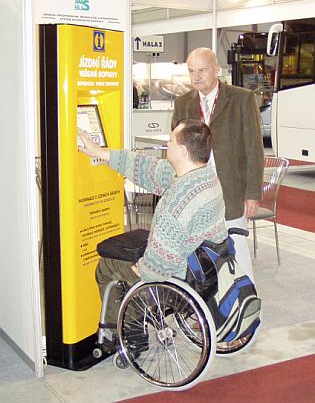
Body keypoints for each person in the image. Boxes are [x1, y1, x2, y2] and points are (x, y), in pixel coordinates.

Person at [78, 119, 228, 300]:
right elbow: (147, 169)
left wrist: (141, 269)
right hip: (205, 268)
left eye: (171, 140)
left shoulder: (178, 203)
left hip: (179, 279)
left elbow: (158, 267)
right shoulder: (204, 176)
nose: (167, 143)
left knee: (106, 267)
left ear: (182, 151)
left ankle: (127, 326)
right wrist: (99, 152)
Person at [172, 47, 264, 282]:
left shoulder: (242, 99)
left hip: (230, 192)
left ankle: (247, 310)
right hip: (195, 193)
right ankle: (205, 314)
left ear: (216, 70)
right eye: (192, 71)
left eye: (202, 70)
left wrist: (252, 193)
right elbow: (176, 149)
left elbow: (254, 148)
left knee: (237, 253)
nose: (196, 76)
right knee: (199, 257)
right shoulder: (183, 103)